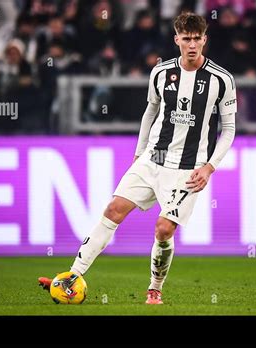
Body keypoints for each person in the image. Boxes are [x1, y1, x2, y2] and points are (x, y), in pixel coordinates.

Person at [38, 12, 237, 305]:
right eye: (186, 39)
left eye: (197, 39)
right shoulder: (160, 73)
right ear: (176, 40)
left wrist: (209, 167)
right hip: (153, 157)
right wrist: (138, 153)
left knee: (163, 228)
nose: (192, 45)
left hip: (189, 167)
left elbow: (229, 129)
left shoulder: (222, 80)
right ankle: (72, 276)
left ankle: (155, 287)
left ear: (204, 40)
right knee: (113, 209)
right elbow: (150, 113)